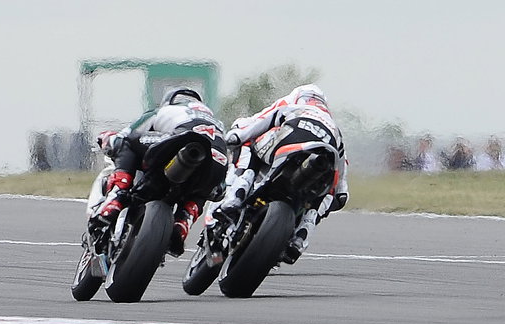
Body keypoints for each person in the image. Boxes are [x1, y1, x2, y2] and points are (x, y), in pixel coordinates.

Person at [213, 84, 349, 265]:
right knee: (323, 199)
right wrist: (335, 198)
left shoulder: (293, 106)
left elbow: (261, 121)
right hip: (325, 159)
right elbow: (341, 192)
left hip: (288, 146)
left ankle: (235, 197)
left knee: (249, 146)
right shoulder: (334, 128)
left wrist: (238, 135)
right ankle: (301, 238)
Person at [92, 87, 226, 257]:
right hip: (217, 162)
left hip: (180, 140)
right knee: (204, 190)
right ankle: (184, 222)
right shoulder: (218, 123)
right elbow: (219, 192)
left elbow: (126, 134)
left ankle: (116, 197)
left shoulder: (164, 110)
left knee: (126, 142)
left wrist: (107, 139)